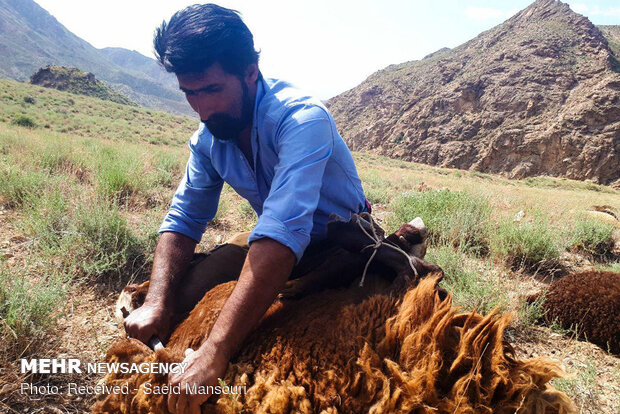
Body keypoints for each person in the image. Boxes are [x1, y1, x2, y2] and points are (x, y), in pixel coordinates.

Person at [123, 3, 369, 413]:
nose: (202, 109)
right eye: (190, 94)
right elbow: (184, 219)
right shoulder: (208, 137)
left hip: (339, 242)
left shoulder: (303, 119)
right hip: (274, 240)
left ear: (250, 71)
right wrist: (159, 301)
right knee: (178, 303)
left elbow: (281, 235)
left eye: (212, 90)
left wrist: (215, 351)